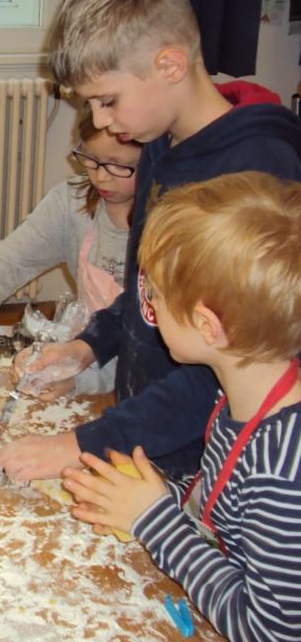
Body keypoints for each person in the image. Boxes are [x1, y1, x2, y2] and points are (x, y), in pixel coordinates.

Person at [0, 0, 301, 482]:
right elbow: (142, 295)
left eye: (108, 101)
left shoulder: (258, 172)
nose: (102, 123)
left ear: (170, 64)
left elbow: (228, 367)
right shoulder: (160, 143)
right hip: (145, 430)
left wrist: (80, 442)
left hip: (213, 458)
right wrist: (88, 346)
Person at [63, 172, 301, 641]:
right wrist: (159, 495)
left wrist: (154, 520)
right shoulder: (235, 395)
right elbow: (223, 518)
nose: (145, 305)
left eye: (153, 299)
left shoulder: (282, 468)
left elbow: (268, 630)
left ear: (205, 326)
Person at [0, 108, 140, 399]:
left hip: (137, 385)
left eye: (120, 166)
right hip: (83, 361)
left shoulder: (172, 222)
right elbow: (3, 265)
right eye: (92, 159)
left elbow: (157, 350)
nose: (101, 178)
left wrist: (85, 380)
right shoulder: (71, 203)